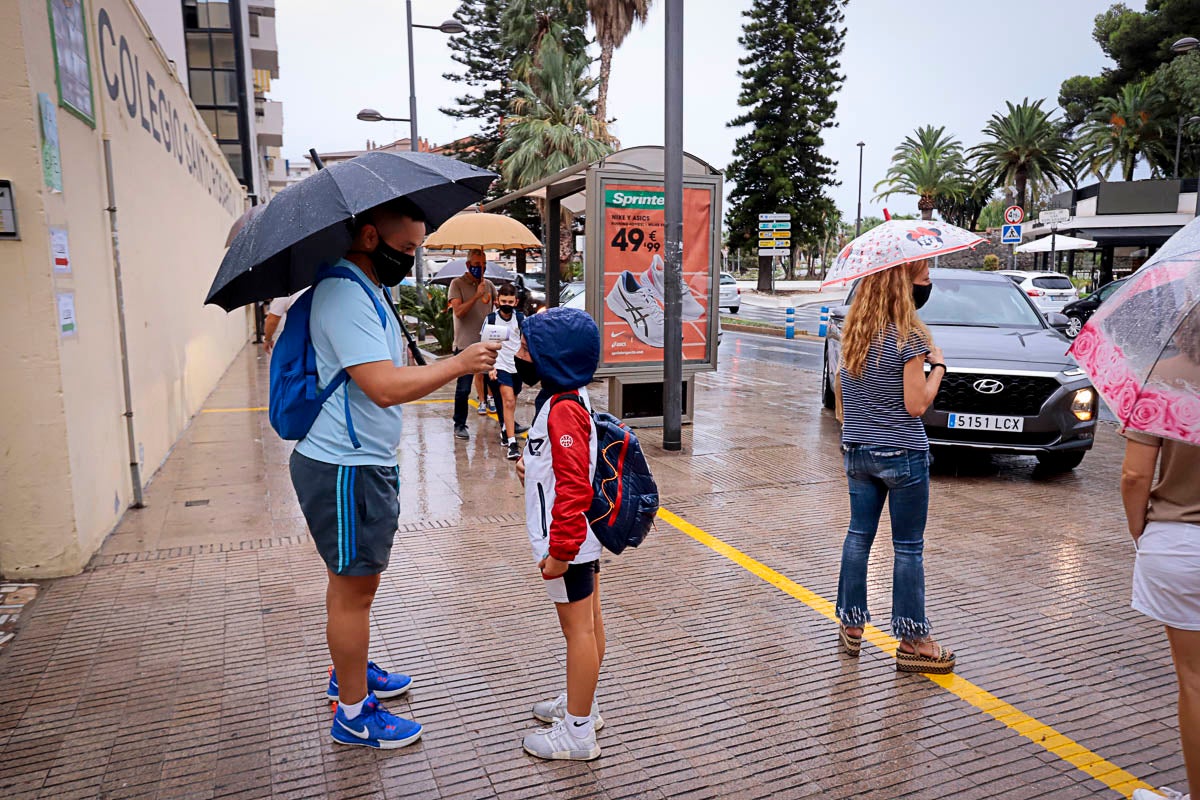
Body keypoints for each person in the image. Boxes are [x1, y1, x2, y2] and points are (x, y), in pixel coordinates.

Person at [289, 197, 500, 749]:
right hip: (344, 466)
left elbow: (387, 374)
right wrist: (458, 363)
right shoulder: (343, 294)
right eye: (406, 249)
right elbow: (382, 388)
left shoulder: (367, 290)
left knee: (356, 584)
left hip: (360, 463)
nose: (411, 259)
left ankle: (350, 672)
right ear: (367, 237)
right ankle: (354, 712)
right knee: (353, 589)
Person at [834, 258, 956, 674]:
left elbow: (842, 403)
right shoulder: (910, 338)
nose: (928, 286)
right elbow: (916, 404)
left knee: (858, 537)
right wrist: (937, 366)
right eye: (924, 279)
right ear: (903, 285)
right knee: (907, 547)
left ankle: (851, 626)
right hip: (902, 454)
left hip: (858, 451)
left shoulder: (854, 332)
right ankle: (914, 639)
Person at [512, 307, 606, 761]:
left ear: (554, 357)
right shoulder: (563, 398)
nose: (520, 353)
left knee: (579, 633)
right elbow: (559, 466)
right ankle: (579, 706)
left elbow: (574, 485)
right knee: (588, 626)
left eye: (529, 347)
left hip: (566, 540)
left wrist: (561, 551)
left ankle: (578, 732)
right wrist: (531, 466)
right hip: (575, 538)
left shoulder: (564, 409)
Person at [448, 248, 498, 440]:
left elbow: (496, 307)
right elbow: (458, 311)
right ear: (468, 265)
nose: (481, 269)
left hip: (487, 343)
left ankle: (506, 421)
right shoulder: (457, 284)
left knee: (499, 383)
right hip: (465, 345)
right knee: (463, 388)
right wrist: (476, 295)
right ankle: (459, 424)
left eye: (484, 265)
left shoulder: (489, 285)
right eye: (477, 265)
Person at [485, 283, 528, 461]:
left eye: (510, 301)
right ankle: (512, 443)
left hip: (516, 366)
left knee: (512, 400)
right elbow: (484, 345)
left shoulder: (520, 318)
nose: (507, 304)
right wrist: (490, 367)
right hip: (500, 364)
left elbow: (526, 342)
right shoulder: (491, 320)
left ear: (516, 301)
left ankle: (505, 429)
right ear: (497, 301)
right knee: (508, 400)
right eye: (504, 301)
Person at [262, 289, 305, 353]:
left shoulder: (284, 294)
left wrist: (267, 339)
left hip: (297, 338)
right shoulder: (311, 287)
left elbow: (272, 320)